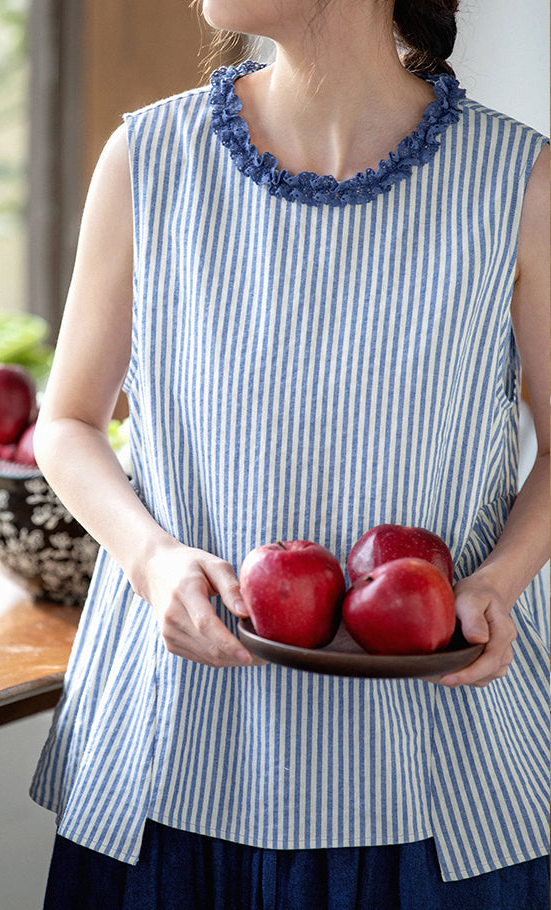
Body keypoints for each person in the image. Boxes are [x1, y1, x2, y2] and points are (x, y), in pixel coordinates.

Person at [30, 0, 550, 906]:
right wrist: (152, 561)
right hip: (175, 745)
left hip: (437, 767)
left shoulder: (520, 181)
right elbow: (68, 422)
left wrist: (498, 583)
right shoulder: (148, 159)